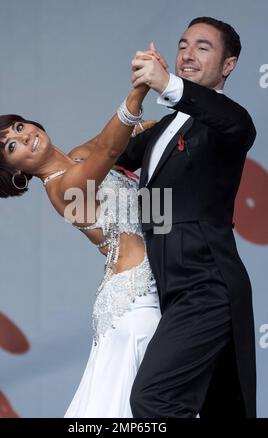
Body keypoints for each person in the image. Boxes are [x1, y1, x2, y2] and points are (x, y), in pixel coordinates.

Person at [0, 65, 169, 417]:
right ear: (16, 172)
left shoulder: (78, 157)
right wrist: (138, 89)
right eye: (12, 146)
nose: (25, 136)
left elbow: (119, 137)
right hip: (137, 301)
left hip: (147, 290)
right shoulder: (62, 189)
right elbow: (109, 150)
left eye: (18, 128)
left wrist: (171, 120)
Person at [115, 17, 257, 418]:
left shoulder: (229, 122)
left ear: (228, 65)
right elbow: (105, 157)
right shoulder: (161, 130)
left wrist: (168, 85)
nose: (187, 54)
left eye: (202, 46)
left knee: (152, 400)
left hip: (207, 286)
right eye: (182, 45)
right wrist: (137, 94)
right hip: (169, 292)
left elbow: (229, 119)